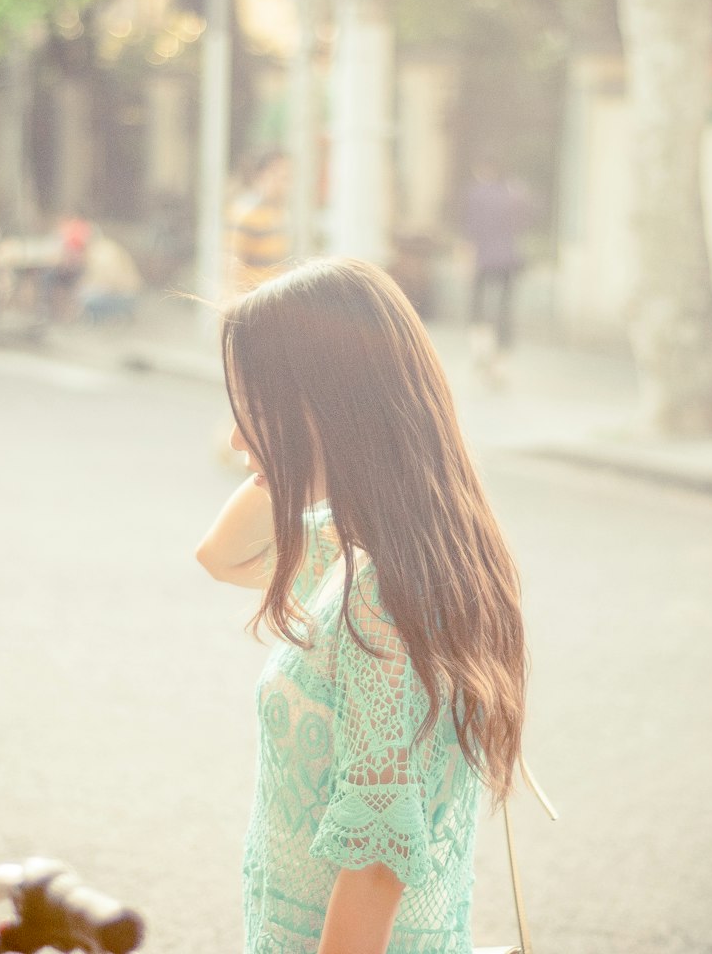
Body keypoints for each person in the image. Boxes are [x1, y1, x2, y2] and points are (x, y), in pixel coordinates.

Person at [196, 258, 528, 954]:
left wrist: (303, 451)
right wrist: (287, 460)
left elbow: (375, 867)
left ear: (330, 407)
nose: (233, 438)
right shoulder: (356, 548)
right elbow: (220, 556)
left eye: (252, 409)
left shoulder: (380, 591)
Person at [462, 160, 528, 383]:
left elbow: (472, 229)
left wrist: (467, 259)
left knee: (478, 304)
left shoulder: (476, 195)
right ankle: (500, 362)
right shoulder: (513, 193)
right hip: (509, 258)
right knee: (504, 309)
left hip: (483, 258)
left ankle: (480, 348)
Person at [224, 149, 293, 298]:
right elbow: (233, 266)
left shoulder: (279, 213)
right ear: (262, 174)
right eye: (279, 174)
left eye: (286, 176)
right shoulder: (245, 213)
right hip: (252, 302)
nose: (283, 182)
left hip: (272, 300)